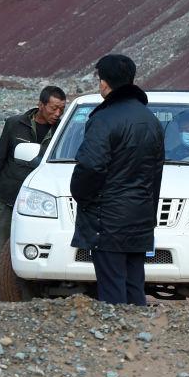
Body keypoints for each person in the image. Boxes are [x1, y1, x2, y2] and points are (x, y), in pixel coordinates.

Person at [71, 55, 165, 305]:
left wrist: (80, 195)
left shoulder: (103, 119)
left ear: (104, 83)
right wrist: (149, 213)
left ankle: (117, 340)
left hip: (108, 221)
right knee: (134, 285)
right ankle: (140, 337)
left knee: (112, 289)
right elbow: (156, 173)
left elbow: (90, 166)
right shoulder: (151, 120)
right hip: (140, 218)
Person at [0, 86, 67, 299]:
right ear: (41, 105)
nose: (57, 114)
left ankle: (32, 298)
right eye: (53, 108)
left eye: (61, 109)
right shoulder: (15, 124)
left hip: (43, 204)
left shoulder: (63, 129)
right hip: (9, 197)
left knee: (36, 249)